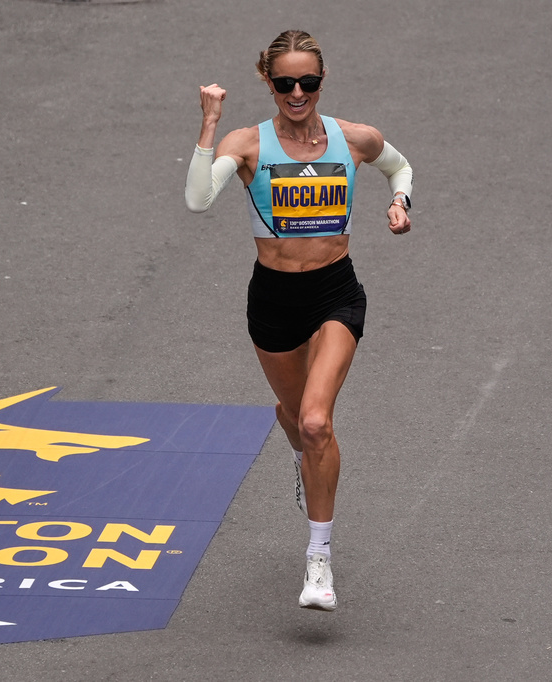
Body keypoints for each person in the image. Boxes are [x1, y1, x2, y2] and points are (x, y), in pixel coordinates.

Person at [184, 29, 413, 611]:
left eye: (306, 82)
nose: (295, 91)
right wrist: (210, 125)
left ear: (321, 81)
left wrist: (399, 202)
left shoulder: (353, 138)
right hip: (274, 302)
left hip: (336, 294)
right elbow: (197, 200)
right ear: (268, 82)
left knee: (316, 421)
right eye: (284, 82)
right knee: (291, 416)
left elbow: (400, 167)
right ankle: (302, 462)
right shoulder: (249, 144)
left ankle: (319, 558)